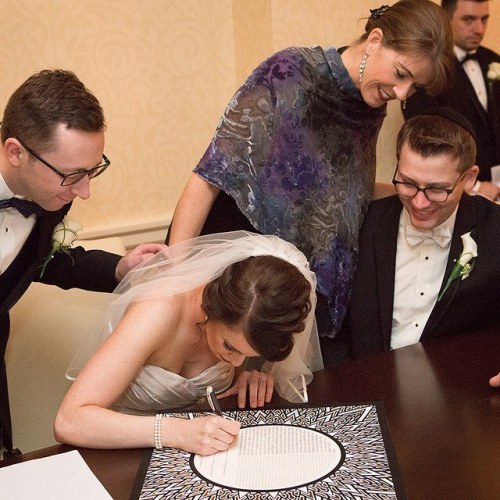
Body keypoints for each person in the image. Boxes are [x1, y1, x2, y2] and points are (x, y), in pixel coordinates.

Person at [166, 0, 454, 347]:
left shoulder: (370, 104)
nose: (403, 93)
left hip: (297, 291)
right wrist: (174, 283)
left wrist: (427, 191)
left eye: (415, 87)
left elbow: (341, 192)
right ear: (375, 40)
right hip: (240, 276)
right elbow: (211, 174)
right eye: (402, 74)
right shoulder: (290, 72)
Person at [0, 69, 164, 458]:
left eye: (92, 172)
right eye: (74, 176)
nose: (84, 192)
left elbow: (43, 262)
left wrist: (120, 268)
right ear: (15, 152)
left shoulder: (54, 191)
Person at [54, 231, 322, 455]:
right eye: (230, 347)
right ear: (212, 305)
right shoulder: (160, 308)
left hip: (193, 456)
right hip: (117, 455)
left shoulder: (245, 316)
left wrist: (247, 376)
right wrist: (175, 432)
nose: (237, 361)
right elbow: (69, 421)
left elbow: (232, 370)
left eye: (248, 355)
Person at [338, 108, 500, 361]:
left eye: (438, 189)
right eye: (408, 183)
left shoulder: (495, 230)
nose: (420, 203)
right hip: (367, 382)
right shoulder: (364, 223)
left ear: (469, 178)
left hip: (460, 392)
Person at [403, 0, 500, 201]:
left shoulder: (494, 59)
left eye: (484, 19)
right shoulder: (428, 68)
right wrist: (476, 186)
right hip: (450, 193)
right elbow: (425, 135)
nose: (479, 29)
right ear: (446, 19)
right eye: (468, 20)